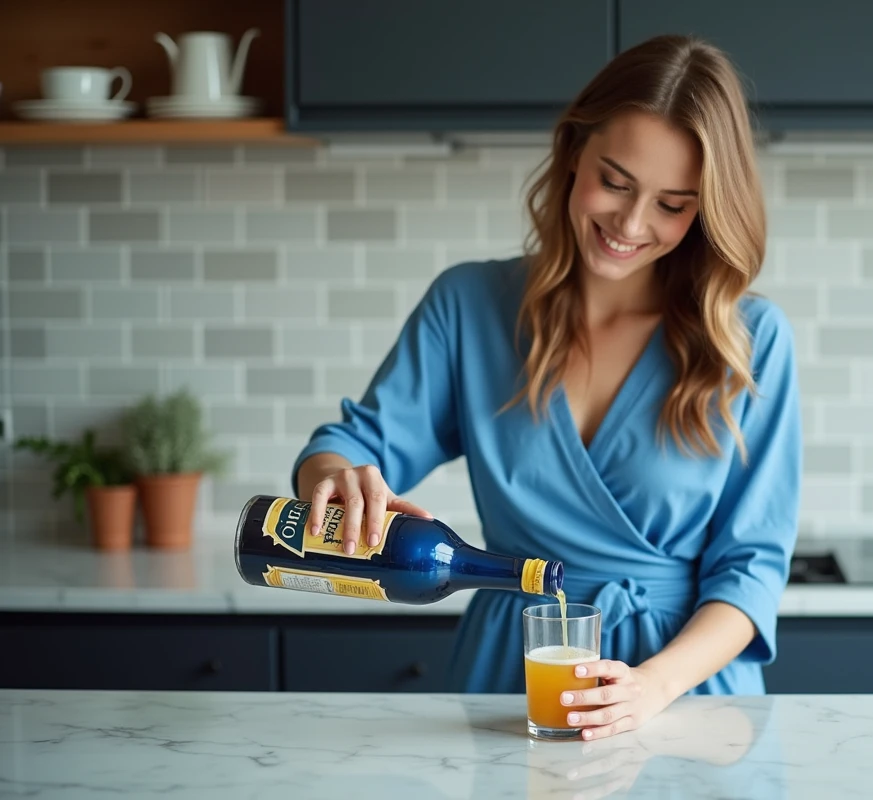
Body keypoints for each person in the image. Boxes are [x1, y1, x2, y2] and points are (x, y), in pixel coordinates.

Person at [291, 34, 803, 741]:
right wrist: (338, 479)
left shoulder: (749, 339)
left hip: (687, 701)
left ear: (707, 209)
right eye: (616, 182)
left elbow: (752, 570)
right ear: (572, 153)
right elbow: (351, 445)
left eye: (673, 204)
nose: (630, 224)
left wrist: (649, 689)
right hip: (514, 675)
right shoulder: (468, 306)